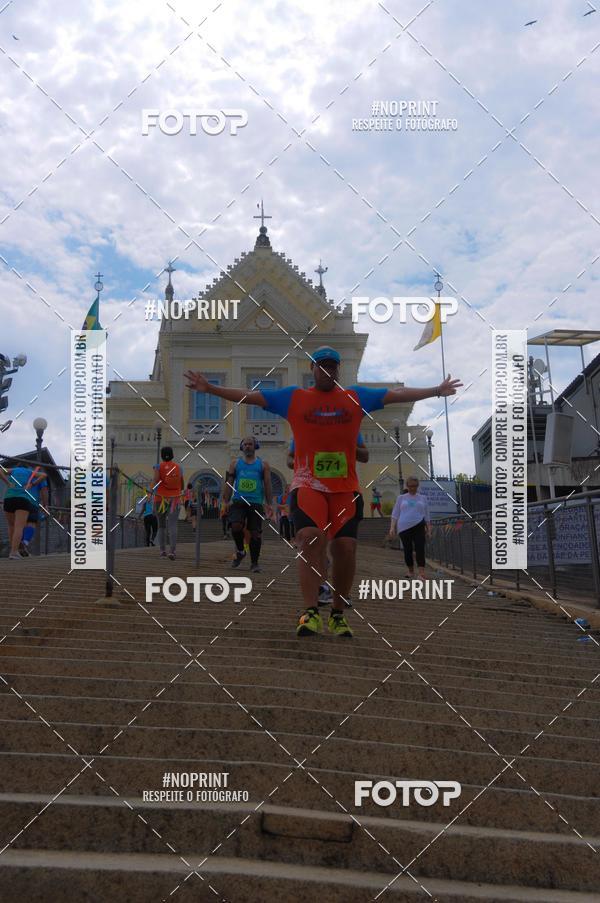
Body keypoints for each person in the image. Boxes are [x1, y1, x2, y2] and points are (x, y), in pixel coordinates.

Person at [185, 349, 460, 637]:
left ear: (338, 370)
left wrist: (436, 391)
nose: (328, 371)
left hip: (345, 490)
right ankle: (310, 612)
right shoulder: (294, 397)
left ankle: (338, 613)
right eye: (322, 366)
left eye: (333, 367)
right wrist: (210, 388)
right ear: (313, 369)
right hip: (308, 486)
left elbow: (395, 394)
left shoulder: (354, 397)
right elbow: (249, 395)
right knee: (309, 539)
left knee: (345, 548)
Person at [222, 436, 273, 573]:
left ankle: (254, 563)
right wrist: (225, 501)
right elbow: (229, 482)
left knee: (255, 534)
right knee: (235, 526)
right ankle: (240, 551)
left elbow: (267, 484)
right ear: (241, 447)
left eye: (250, 444)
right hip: (239, 501)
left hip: (256, 502)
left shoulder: (263, 465)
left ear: (255, 446)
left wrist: (269, 504)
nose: (248, 446)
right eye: (245, 444)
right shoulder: (235, 464)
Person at [388, 476, 432, 579]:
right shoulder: (401, 498)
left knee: (420, 548)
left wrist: (429, 529)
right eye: (411, 486)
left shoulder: (423, 498)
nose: (413, 488)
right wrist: (392, 528)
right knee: (407, 549)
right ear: (407, 486)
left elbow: (427, 515)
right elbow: (395, 514)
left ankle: (421, 573)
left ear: (418, 486)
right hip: (404, 527)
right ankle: (410, 571)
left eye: (415, 486)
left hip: (419, 525)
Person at [1, 464, 47, 559]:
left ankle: (13, 550)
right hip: (23, 499)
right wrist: (33, 484)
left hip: (8, 498)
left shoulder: (13, 470)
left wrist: (7, 483)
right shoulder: (30, 472)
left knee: (11, 526)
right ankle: (14, 552)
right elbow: (44, 475)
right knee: (19, 527)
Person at [153, 447, 184, 560]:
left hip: (160, 498)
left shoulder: (158, 466)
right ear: (172, 455)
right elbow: (182, 484)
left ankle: (162, 551)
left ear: (161, 455)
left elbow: (156, 480)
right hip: (175, 498)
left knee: (161, 525)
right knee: (173, 525)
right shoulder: (179, 468)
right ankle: (172, 551)